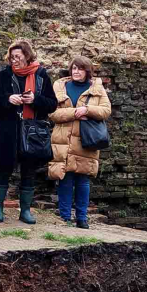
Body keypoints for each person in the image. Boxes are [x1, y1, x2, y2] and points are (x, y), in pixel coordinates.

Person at [0, 40, 57, 224]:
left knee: (29, 171)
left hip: (32, 131)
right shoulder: (4, 75)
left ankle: (25, 211)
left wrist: (35, 99)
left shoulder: (41, 75)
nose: (14, 61)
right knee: (4, 169)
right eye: (11, 57)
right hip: (8, 130)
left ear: (27, 56)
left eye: (18, 57)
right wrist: (8, 99)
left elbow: (52, 104)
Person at [48, 56, 111, 229]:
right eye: (74, 68)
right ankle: (65, 217)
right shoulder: (59, 86)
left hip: (86, 140)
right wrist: (75, 112)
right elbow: (52, 113)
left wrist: (88, 110)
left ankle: (82, 218)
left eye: (80, 69)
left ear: (87, 71)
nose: (76, 72)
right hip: (63, 139)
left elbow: (106, 110)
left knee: (83, 180)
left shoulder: (96, 88)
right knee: (64, 178)